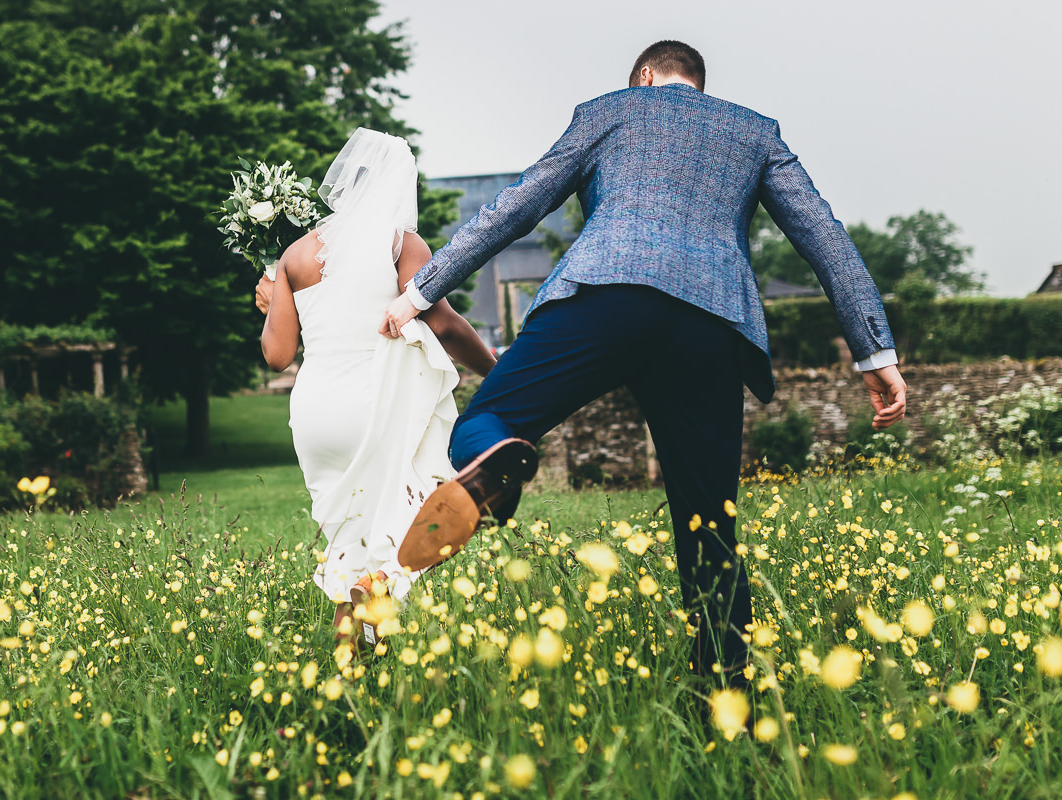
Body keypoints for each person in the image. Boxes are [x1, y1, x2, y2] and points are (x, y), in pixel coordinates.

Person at [380, 41, 908, 683]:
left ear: (645, 76)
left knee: (487, 418)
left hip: (605, 295)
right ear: (700, 86)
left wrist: (420, 291)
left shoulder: (613, 110)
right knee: (708, 517)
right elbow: (826, 236)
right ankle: (726, 693)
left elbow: (518, 205)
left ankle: (497, 466)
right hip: (710, 323)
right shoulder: (754, 132)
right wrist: (873, 350)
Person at [256, 128, 496, 652]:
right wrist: (496, 369)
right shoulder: (400, 243)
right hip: (378, 399)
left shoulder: (293, 256)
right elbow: (445, 324)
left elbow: (276, 356)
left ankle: (353, 661)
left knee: (347, 536)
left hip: (317, 411)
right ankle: (383, 585)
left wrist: (273, 297)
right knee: (425, 507)